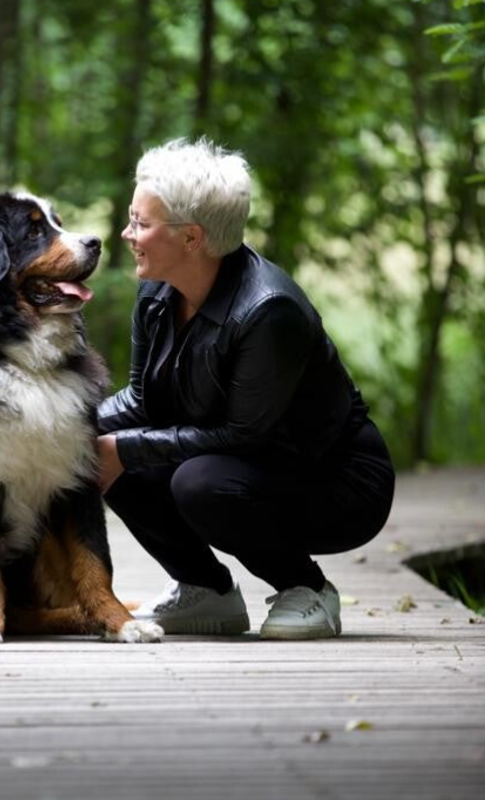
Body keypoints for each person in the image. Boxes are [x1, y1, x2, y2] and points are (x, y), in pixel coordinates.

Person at [97, 137, 395, 640]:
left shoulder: (268, 310)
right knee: (98, 455)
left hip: (336, 481)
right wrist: (66, 430)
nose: (127, 233)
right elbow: (142, 402)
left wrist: (123, 447)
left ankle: (308, 589)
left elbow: (242, 436)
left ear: (191, 238)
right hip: (245, 461)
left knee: (195, 481)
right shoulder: (156, 290)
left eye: (141, 223)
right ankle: (206, 591)